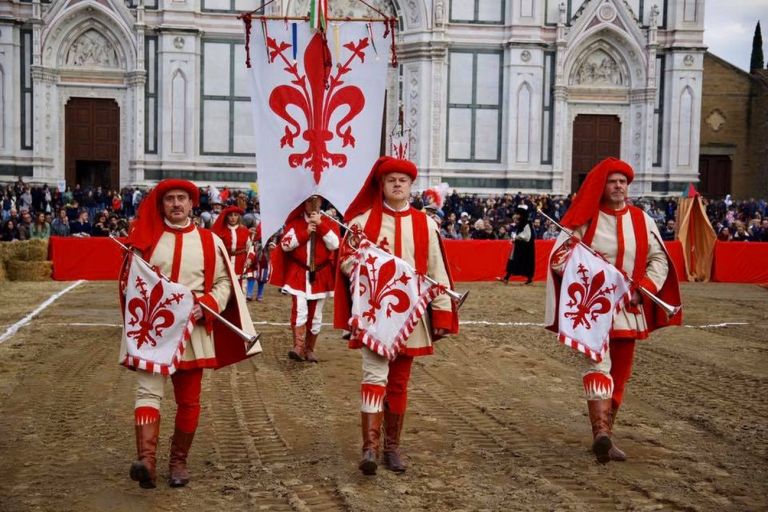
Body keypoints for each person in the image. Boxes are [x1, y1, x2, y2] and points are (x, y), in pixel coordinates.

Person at [120, 179, 256, 489]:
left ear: (192, 203)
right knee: (147, 393)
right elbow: (130, 284)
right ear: (162, 204)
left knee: (189, 401)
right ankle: (147, 461)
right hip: (152, 331)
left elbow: (225, 284)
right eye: (170, 199)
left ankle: (178, 462)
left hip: (193, 330)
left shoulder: (210, 241)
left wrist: (207, 305)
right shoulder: (147, 240)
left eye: (182, 198)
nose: (177, 204)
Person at [544, 157, 681, 463]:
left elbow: (658, 260)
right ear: (602, 186)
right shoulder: (585, 220)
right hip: (593, 308)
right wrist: (578, 255)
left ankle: (608, 432)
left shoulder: (643, 220)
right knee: (598, 367)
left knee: (621, 374)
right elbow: (558, 262)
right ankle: (600, 433)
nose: (619, 186)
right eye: (613, 181)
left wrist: (644, 287)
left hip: (630, 306)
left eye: (623, 182)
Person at [334, 157, 459, 475]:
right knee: (374, 378)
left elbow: (436, 270)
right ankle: (369, 449)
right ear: (382, 184)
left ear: (410, 185)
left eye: (403, 180)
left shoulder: (426, 224)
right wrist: (372, 264)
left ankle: (392, 448)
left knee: (399, 384)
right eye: (391, 179)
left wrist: (442, 314)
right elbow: (346, 263)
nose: (398, 184)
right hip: (376, 314)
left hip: (411, 318)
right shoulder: (361, 223)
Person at [274, 196, 339, 363]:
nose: (313, 205)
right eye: (309, 201)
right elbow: (285, 245)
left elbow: (334, 244)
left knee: (316, 316)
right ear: (303, 203)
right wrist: (305, 233)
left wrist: (320, 225)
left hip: (321, 274)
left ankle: (310, 349)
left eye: (316, 202)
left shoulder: (329, 222)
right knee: (300, 311)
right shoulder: (295, 222)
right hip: (299, 273)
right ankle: (298, 347)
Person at [211, 206, 252, 286]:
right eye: (230, 215)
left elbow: (250, 247)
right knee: (225, 284)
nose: (233, 218)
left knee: (239, 286)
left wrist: (250, 258)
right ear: (227, 217)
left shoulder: (244, 230)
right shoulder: (220, 231)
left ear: (239, 217)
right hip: (225, 261)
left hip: (240, 262)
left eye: (235, 215)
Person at [498, 204, 535, 284]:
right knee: (513, 261)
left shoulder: (526, 223)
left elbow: (527, 236)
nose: (517, 215)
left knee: (523, 262)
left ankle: (528, 278)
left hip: (524, 248)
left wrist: (517, 237)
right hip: (519, 246)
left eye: (518, 214)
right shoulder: (522, 223)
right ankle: (506, 278)